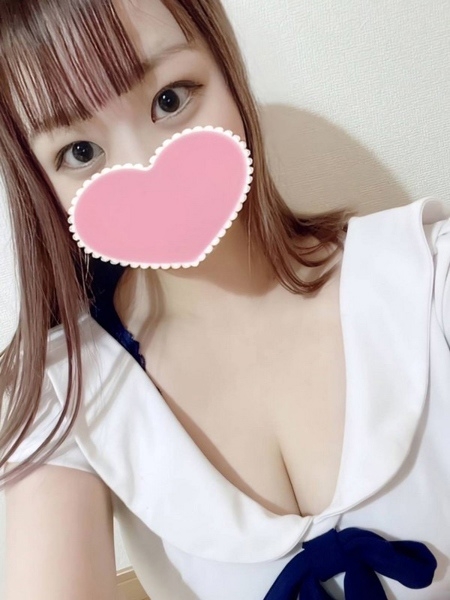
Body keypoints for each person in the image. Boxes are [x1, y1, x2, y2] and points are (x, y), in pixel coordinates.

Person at [0, 0, 449, 599]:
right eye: (80, 152)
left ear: (228, 70)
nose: (145, 167)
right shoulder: (66, 394)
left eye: (170, 99)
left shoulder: (427, 275)